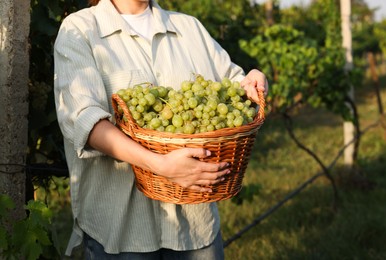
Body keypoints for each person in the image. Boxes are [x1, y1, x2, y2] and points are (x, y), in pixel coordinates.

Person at [54, 0, 268, 259]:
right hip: (120, 231)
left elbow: (233, 87)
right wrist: (159, 164)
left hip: (194, 228)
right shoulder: (81, 29)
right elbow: (85, 121)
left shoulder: (189, 28)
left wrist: (252, 80)